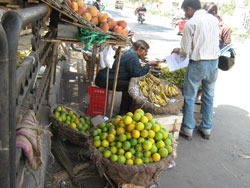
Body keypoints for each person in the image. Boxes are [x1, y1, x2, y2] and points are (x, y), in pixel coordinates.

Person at [172, 0, 220, 140]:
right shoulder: (214, 20)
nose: (185, 15)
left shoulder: (191, 24)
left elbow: (185, 51)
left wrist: (178, 51)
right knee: (209, 96)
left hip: (198, 63)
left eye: (185, 12)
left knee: (190, 96)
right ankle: (206, 128)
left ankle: (188, 128)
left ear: (189, 9)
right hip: (213, 63)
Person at [95, 40, 157, 115]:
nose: (146, 54)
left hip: (103, 77)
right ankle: (124, 112)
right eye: (146, 51)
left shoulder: (131, 53)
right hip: (104, 80)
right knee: (130, 86)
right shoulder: (133, 57)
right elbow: (138, 74)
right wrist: (148, 65)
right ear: (140, 49)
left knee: (129, 82)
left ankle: (126, 109)